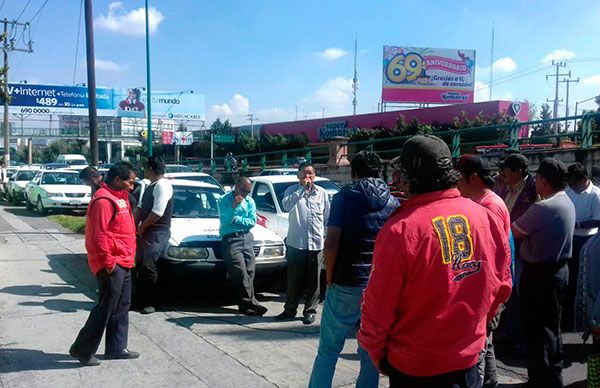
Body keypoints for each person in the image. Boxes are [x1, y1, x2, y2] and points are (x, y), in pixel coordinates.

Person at [358, 135, 512, 388]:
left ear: (408, 177)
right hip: (467, 366)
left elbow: (377, 310)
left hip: (415, 369)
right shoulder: (485, 217)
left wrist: (378, 356)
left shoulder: (400, 230)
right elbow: (503, 286)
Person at [309, 150, 399, 387]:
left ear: (354, 172)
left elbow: (331, 242)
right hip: (377, 287)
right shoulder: (393, 201)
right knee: (370, 353)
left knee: (328, 350)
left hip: (346, 282)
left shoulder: (343, 197)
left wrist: (329, 277)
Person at [512, 158, 575, 388]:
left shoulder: (543, 207)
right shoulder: (565, 200)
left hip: (540, 275)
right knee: (552, 327)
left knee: (537, 331)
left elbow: (515, 231)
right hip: (557, 272)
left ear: (545, 181)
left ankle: (540, 380)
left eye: (537, 178)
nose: (535, 182)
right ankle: (552, 376)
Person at [69, 162, 139, 366]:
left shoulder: (120, 197)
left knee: (121, 306)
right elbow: (98, 236)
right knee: (106, 308)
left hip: (125, 260)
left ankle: (117, 347)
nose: (132, 187)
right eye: (130, 182)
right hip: (112, 263)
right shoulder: (103, 201)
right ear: (117, 180)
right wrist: (109, 263)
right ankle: (82, 349)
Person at [457, 154, 513, 388]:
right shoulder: (486, 201)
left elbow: (492, 256)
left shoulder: (488, 205)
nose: (456, 183)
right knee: (486, 346)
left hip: (488, 293)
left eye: (459, 178)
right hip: (488, 291)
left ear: (473, 178)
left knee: (477, 353)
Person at [275, 162, 330, 325]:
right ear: (298, 175)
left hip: (316, 243)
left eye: (311, 174)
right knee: (293, 279)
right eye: (305, 173)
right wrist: (301, 190)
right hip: (296, 243)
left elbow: (327, 217)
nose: (308, 177)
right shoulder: (291, 191)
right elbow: (286, 206)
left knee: (314, 280)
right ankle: (290, 310)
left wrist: (325, 237)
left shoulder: (322, 193)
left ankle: (310, 311)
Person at [494, 153, 537, 353]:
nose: (503, 174)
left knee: (520, 295)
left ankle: (523, 339)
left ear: (518, 171)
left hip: (522, 249)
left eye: (507, 170)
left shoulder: (534, 190)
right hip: (506, 248)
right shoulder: (505, 189)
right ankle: (511, 333)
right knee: (508, 294)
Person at [218, 176, 268, 316]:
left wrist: (237, 218)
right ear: (236, 186)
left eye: (248, 191)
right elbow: (225, 221)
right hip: (231, 238)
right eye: (244, 190)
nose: (245, 194)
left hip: (246, 237)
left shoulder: (250, 201)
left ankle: (245, 305)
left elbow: (252, 221)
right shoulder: (224, 200)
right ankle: (253, 303)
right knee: (240, 272)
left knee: (250, 272)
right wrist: (233, 206)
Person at [133, 156, 174, 314]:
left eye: (145, 168)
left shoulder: (162, 186)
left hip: (157, 231)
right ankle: (139, 299)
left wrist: (142, 227)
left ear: (150, 169)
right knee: (141, 266)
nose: (143, 170)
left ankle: (152, 302)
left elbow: (157, 212)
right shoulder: (151, 185)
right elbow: (140, 208)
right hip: (147, 231)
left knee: (149, 265)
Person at [564, 162, 600, 332]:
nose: (572, 187)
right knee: (570, 282)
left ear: (584, 179)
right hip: (571, 239)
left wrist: (577, 223)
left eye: (574, 183)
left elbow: (598, 220)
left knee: (585, 282)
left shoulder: (596, 195)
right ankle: (570, 318)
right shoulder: (570, 190)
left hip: (588, 241)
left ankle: (586, 321)